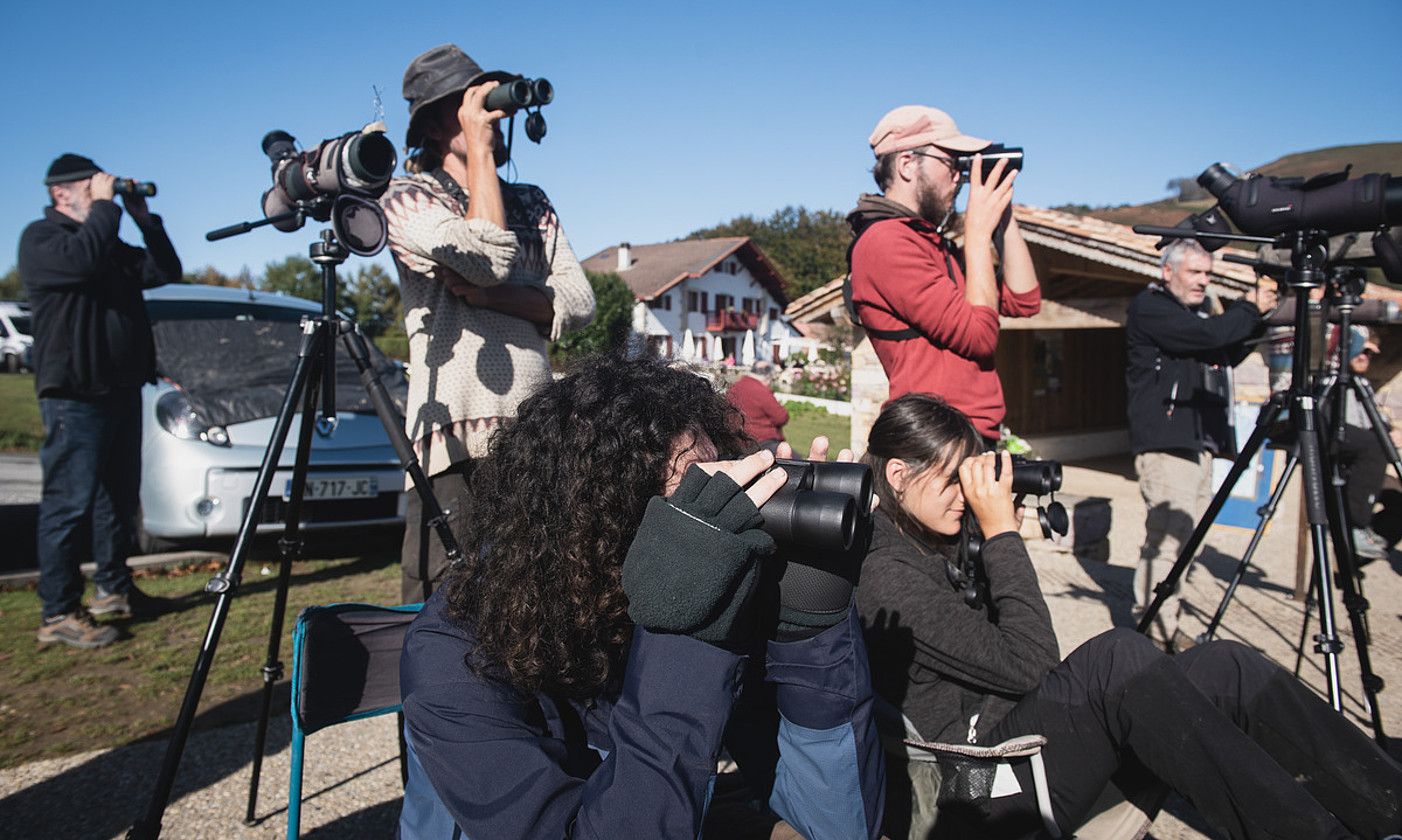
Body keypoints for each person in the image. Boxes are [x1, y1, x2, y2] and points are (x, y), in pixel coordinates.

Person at [855, 392, 1402, 840]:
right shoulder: (888, 572)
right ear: (899, 474)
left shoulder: (926, 539)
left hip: (1007, 738)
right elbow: (1032, 665)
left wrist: (985, 536)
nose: (964, 497)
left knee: (1224, 666)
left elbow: (1006, 653)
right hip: (969, 784)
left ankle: (1388, 810)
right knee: (1116, 656)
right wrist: (1001, 536)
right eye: (953, 481)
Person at [397, 355, 885, 839]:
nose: (713, 521)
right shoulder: (453, 657)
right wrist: (682, 632)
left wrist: (808, 625)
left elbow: (834, 827)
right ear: (593, 529)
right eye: (688, 500)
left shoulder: (708, 583)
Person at [381, 44, 595, 603]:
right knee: (443, 608)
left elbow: (581, 301)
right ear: (430, 124)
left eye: (488, 98)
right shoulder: (406, 198)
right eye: (465, 104)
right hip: (452, 443)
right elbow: (487, 255)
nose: (487, 113)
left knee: (534, 602)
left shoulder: (533, 202)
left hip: (532, 431)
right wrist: (477, 144)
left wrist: (497, 297)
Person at [18, 154, 181, 649]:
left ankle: (113, 590)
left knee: (119, 499)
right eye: (90, 188)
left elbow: (165, 269)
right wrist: (107, 209)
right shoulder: (43, 240)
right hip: (74, 394)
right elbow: (81, 262)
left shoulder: (107, 242)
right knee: (69, 504)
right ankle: (58, 611)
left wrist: (144, 220)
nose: (99, 194)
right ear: (60, 194)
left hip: (119, 388)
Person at [847, 105, 1041, 445]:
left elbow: (1025, 300)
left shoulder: (935, 245)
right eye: (951, 162)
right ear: (907, 163)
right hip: (934, 441)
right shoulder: (885, 242)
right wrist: (977, 234)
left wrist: (1003, 213)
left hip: (966, 434)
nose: (959, 177)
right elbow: (979, 337)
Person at [1125, 238, 1275, 648]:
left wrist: (1259, 319)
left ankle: (1166, 624)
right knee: (1169, 538)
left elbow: (1223, 349)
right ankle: (1153, 633)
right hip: (1167, 442)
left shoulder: (1195, 318)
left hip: (1197, 442)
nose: (1203, 282)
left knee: (1190, 540)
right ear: (1167, 271)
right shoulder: (1152, 307)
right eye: (1195, 272)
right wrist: (1249, 308)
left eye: (1208, 274)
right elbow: (1209, 336)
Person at [1330, 326, 1393, 559]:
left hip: (1361, 461)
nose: (1364, 357)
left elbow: (1374, 421)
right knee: (1377, 444)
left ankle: (1351, 560)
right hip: (1339, 447)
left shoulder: (1362, 384)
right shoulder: (1336, 381)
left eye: (1370, 354)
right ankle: (1354, 527)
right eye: (1361, 350)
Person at [726, 360, 789, 453]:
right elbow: (781, 417)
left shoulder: (735, 387)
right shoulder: (760, 390)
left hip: (736, 440)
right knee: (797, 461)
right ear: (769, 376)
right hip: (761, 441)